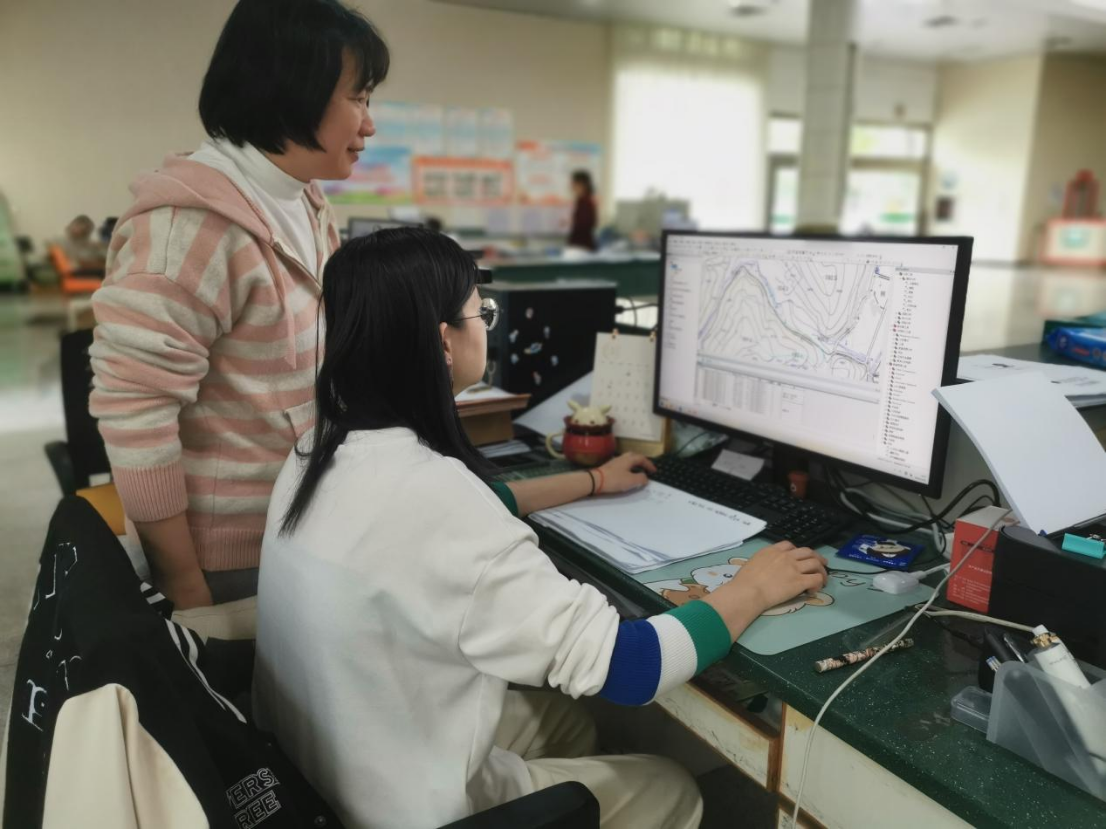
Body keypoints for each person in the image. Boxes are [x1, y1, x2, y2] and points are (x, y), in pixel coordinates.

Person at [254, 227, 829, 828]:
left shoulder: (318, 451)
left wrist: (593, 481)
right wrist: (753, 588)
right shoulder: (434, 498)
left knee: (569, 724)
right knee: (672, 785)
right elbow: (632, 667)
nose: (488, 326)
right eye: (483, 314)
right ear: (443, 341)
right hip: (409, 810)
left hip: (328, 766)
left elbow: (467, 511)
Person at [88, 0, 389, 608]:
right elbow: (136, 416)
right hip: (228, 554)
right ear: (290, 91)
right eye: (358, 99)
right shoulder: (186, 229)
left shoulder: (305, 198)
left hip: (300, 518)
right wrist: (183, 584)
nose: (369, 125)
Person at [567, 169, 598, 251]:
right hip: (580, 245)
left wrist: (573, 222)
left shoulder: (585, 202)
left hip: (581, 246)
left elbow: (586, 225)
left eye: (573, 183)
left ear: (581, 184)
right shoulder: (583, 201)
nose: (571, 186)